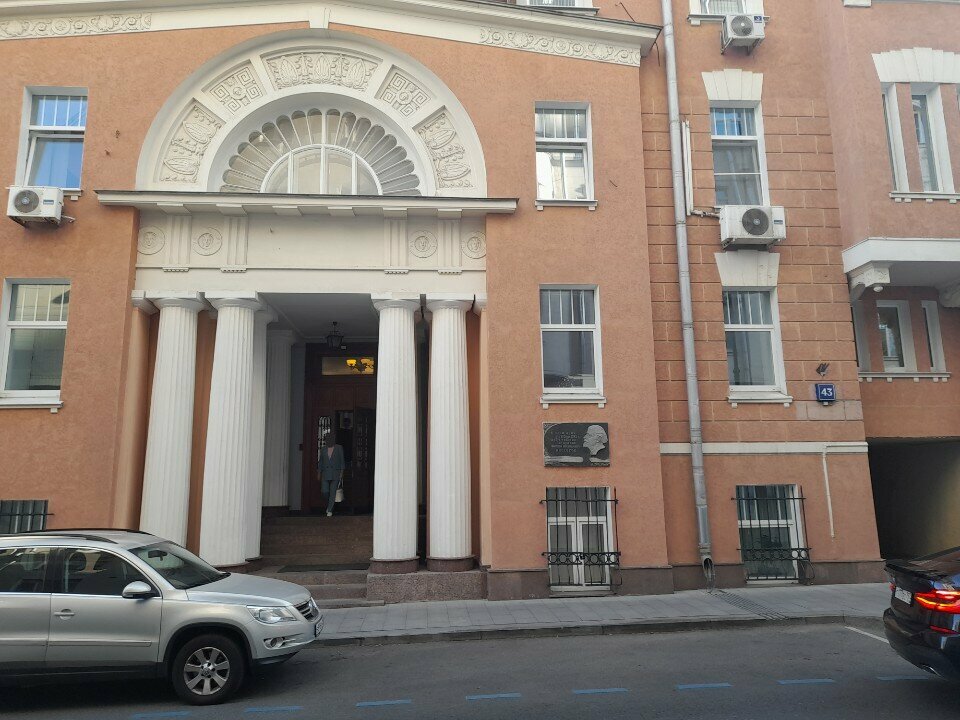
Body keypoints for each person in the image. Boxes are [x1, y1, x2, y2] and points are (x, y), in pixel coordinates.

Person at [318, 432, 345, 516]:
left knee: (333, 492)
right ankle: (330, 504)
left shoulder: (339, 448)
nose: (329, 440)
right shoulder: (323, 449)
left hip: (335, 473)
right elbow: (321, 461)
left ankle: (329, 510)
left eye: (331, 438)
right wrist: (319, 472)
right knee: (325, 491)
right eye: (327, 439)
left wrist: (342, 472)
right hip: (325, 473)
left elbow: (342, 461)